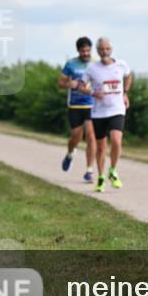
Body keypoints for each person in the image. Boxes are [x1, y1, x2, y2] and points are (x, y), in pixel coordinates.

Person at [78, 37, 132, 193]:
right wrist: (93, 92)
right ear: (98, 51)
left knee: (116, 140)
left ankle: (113, 171)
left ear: (111, 49)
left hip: (117, 109)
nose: (104, 52)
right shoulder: (92, 69)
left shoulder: (121, 65)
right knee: (101, 147)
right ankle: (101, 177)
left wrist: (125, 93)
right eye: (101, 49)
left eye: (107, 49)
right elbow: (81, 86)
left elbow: (128, 76)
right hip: (99, 112)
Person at [58, 37, 97, 183]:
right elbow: (60, 83)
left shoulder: (96, 62)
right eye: (83, 51)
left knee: (91, 136)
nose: (86, 53)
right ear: (78, 51)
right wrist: (69, 83)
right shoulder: (71, 64)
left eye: (88, 50)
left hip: (92, 105)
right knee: (76, 137)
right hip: (75, 105)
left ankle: (89, 171)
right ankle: (69, 153)